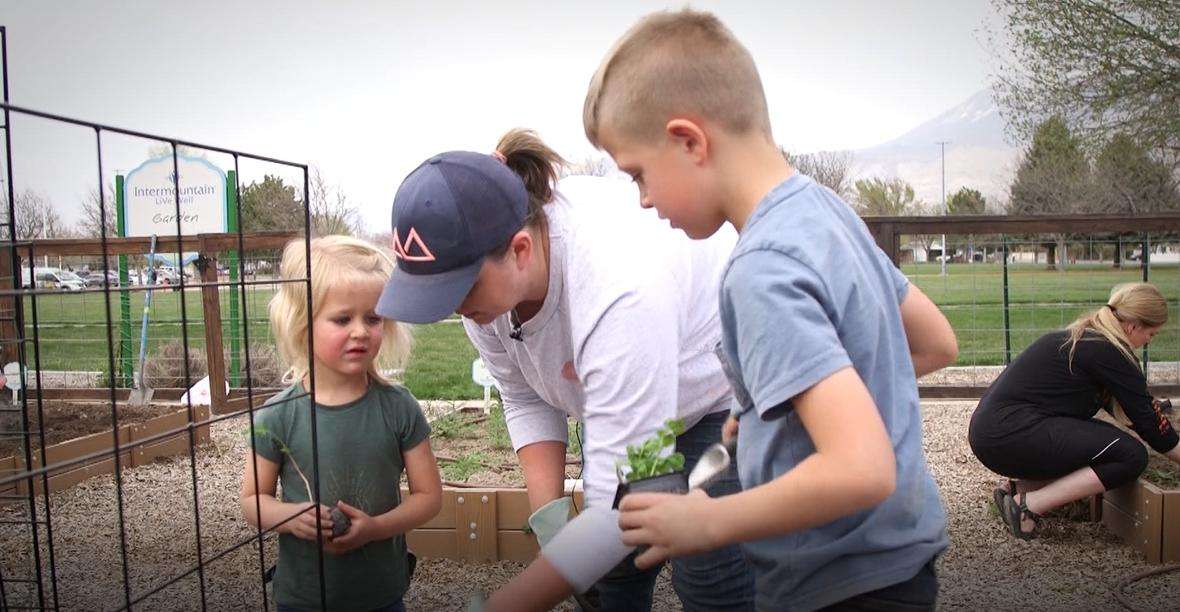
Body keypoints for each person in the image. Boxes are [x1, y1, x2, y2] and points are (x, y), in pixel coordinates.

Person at [582, 9, 959, 611]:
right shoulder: (827, 214)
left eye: (639, 174)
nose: (645, 199)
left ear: (689, 140)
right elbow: (937, 341)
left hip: (836, 583)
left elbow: (863, 468)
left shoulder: (761, 268)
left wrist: (709, 523)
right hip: (898, 566)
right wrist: (778, 412)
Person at [377, 129, 755, 611]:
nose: (454, 307)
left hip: (710, 404)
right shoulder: (486, 296)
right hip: (622, 403)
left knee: (710, 576)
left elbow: (611, 507)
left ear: (519, 250)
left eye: (459, 290)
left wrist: (503, 605)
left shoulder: (615, 282)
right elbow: (524, 394)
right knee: (614, 575)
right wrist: (551, 523)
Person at [240, 236, 442, 612]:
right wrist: (291, 516)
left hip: (381, 595)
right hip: (302, 598)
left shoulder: (399, 408)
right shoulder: (276, 416)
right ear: (302, 324)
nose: (361, 331)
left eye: (373, 317)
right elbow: (253, 500)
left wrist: (375, 529)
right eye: (342, 319)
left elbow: (429, 498)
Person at [969, 282, 1178, 540]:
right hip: (1008, 435)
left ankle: (1017, 488)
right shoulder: (1110, 352)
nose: (1149, 341)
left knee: (1106, 439)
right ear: (1133, 326)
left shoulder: (1089, 337)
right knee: (1131, 455)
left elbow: (1137, 414)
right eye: (1152, 334)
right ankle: (1028, 505)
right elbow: (1155, 430)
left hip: (993, 432)